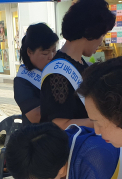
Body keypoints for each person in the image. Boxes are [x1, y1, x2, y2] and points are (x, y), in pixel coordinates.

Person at [39, 0, 115, 128]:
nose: (102, 41)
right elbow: (59, 124)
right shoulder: (58, 73)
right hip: (70, 146)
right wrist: (104, 122)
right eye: (103, 34)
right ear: (90, 32)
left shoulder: (80, 63)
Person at [14, 23, 58, 126]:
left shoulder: (58, 70)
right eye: (45, 53)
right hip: (39, 136)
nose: (51, 56)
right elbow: (36, 116)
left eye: (54, 50)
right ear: (29, 52)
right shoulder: (22, 81)